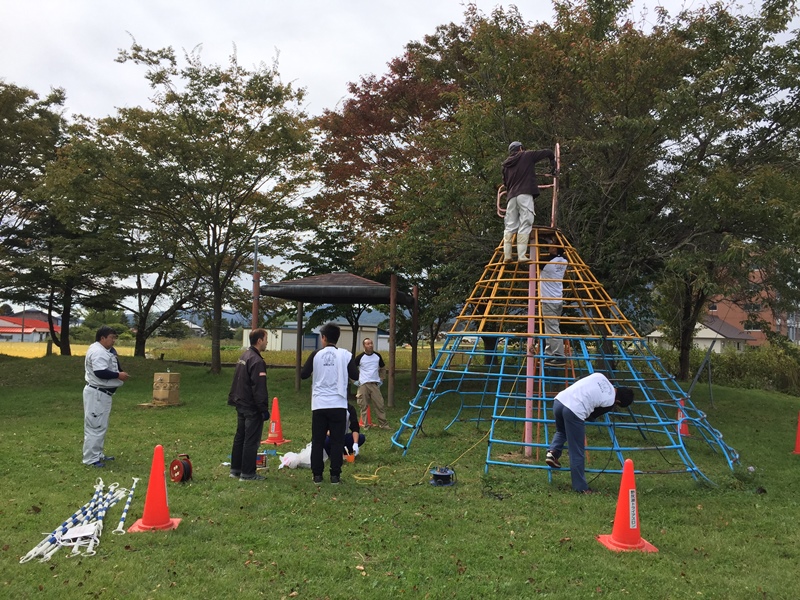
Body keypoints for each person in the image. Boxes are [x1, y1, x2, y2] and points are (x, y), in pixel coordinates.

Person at [545, 372, 634, 493]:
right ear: (618, 402)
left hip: (560, 400)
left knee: (562, 431)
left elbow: (581, 379)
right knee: (577, 450)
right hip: (574, 410)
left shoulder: (600, 376)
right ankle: (580, 488)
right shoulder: (610, 401)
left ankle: (553, 452)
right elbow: (592, 416)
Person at [300, 323, 358, 484]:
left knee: (317, 441)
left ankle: (317, 475)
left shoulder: (315, 354)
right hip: (338, 403)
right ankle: (335, 476)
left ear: (324, 338)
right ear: (337, 338)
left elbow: (303, 375)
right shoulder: (346, 355)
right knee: (337, 441)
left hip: (319, 404)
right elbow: (355, 375)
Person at [501, 141, 557, 262]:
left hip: (511, 197)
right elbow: (548, 152)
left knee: (510, 225)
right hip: (524, 194)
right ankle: (521, 255)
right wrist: (553, 163)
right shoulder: (527, 155)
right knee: (526, 221)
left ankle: (507, 255)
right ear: (521, 148)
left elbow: (505, 183)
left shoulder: (505, 165)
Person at [83, 326, 129, 468]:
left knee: (101, 425)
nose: (114, 340)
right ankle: (90, 459)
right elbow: (100, 372)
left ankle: (98, 454)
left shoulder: (104, 350)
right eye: (111, 338)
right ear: (102, 338)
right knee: (95, 426)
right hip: (98, 393)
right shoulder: (98, 352)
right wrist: (118, 375)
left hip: (103, 394)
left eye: (115, 337)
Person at [227, 328, 270, 481]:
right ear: (259, 340)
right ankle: (248, 473)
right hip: (252, 407)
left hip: (240, 402)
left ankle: (235, 469)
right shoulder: (257, 361)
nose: (267, 342)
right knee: (251, 440)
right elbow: (259, 388)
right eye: (266, 339)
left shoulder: (244, 356)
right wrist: (263, 409)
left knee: (240, 437)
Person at [350, 337, 391, 430]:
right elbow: (351, 369)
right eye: (368, 344)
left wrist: (382, 379)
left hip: (375, 384)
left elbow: (383, 368)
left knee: (379, 405)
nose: (370, 345)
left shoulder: (377, 356)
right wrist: (354, 381)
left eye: (371, 343)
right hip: (363, 384)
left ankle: (384, 424)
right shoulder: (360, 357)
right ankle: (365, 425)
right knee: (363, 405)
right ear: (364, 346)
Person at [539, 243, 568, 364]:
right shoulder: (565, 261)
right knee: (550, 327)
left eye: (551, 246)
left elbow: (534, 263)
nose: (548, 247)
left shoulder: (546, 262)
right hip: (557, 299)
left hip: (548, 300)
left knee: (552, 328)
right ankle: (550, 353)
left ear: (556, 248)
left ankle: (559, 355)